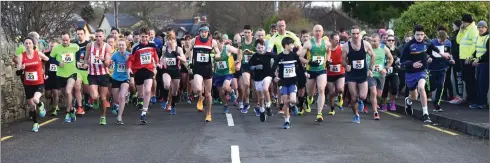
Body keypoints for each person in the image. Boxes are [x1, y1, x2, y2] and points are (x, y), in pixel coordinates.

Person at [401, 25, 450, 123]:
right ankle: (408, 101)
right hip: (411, 72)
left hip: (422, 70)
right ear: (414, 35)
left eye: (421, 34)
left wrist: (442, 54)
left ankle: (425, 114)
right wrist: (412, 64)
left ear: (424, 35)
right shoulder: (409, 45)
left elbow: (433, 48)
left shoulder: (427, 42)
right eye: (417, 35)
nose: (419, 37)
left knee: (421, 87)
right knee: (414, 97)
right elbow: (402, 61)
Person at [341, 25, 376, 123]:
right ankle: (356, 115)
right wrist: (346, 65)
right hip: (352, 74)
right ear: (350, 34)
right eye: (353, 34)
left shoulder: (365, 44)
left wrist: (370, 69)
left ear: (359, 34)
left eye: (357, 33)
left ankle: (361, 101)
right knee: (353, 96)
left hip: (362, 73)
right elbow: (342, 60)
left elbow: (373, 56)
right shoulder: (346, 46)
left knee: (363, 96)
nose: (355, 36)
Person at [186, 24, 221, 122]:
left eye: (205, 32)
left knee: (208, 93)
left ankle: (208, 114)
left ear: (208, 32)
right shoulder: (194, 40)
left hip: (208, 68)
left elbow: (218, 52)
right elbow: (188, 51)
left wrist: (216, 56)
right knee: (198, 88)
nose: (203, 33)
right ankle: (200, 98)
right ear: (199, 32)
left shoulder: (212, 42)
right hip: (197, 67)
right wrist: (188, 60)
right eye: (202, 31)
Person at [267, 19, 303, 114]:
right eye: (279, 26)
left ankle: (292, 103)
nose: (281, 28)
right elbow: (269, 50)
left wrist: (294, 55)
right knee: (280, 81)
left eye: (283, 25)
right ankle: (281, 104)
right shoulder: (274, 37)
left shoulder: (291, 35)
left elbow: (300, 47)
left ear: (285, 26)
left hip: (291, 60)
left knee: (292, 78)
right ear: (276, 27)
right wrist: (279, 57)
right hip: (281, 61)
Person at [272, 37, 309, 129]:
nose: (293, 46)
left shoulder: (294, 55)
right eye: (292, 44)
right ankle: (287, 121)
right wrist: (275, 77)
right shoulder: (279, 57)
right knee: (285, 101)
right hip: (283, 82)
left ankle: (293, 105)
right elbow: (273, 68)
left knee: (292, 100)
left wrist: (305, 73)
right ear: (286, 45)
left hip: (293, 81)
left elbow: (300, 66)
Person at [299, 25, 331, 122]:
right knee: (310, 92)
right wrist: (309, 62)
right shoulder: (308, 44)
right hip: (310, 70)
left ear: (322, 32)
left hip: (322, 70)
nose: (318, 33)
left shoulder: (326, 43)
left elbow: (329, 52)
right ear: (313, 32)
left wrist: (328, 60)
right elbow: (300, 57)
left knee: (321, 89)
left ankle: (319, 114)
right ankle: (309, 97)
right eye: (316, 31)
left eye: (319, 31)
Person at [128, 27, 160, 124]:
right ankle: (140, 99)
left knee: (147, 90)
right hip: (138, 71)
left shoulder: (152, 44)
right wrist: (129, 68)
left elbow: (154, 55)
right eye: (142, 37)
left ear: (149, 36)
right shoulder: (135, 47)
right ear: (139, 36)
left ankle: (144, 112)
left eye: (146, 37)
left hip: (149, 69)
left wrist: (157, 63)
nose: (144, 39)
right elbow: (130, 59)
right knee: (141, 93)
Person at [17, 37, 49, 132]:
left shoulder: (37, 53)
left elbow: (48, 60)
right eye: (26, 43)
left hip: (39, 82)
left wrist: (45, 72)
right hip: (28, 84)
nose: (28, 45)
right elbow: (18, 73)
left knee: (36, 99)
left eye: (29, 43)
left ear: (33, 45)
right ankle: (35, 123)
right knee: (31, 106)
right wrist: (22, 68)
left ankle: (40, 105)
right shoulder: (21, 56)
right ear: (24, 45)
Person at [84, 29, 113, 125]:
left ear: (104, 37)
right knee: (95, 95)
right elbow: (86, 58)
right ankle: (95, 99)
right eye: (96, 36)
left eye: (100, 36)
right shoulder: (89, 45)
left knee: (103, 98)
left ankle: (103, 116)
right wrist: (85, 64)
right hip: (92, 74)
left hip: (103, 74)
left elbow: (108, 64)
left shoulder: (107, 47)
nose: (98, 38)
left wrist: (103, 59)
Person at [50, 32, 80, 123]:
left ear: (69, 39)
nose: (65, 42)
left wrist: (77, 62)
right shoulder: (56, 48)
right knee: (65, 94)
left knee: (68, 91)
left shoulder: (75, 46)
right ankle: (71, 110)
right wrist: (58, 63)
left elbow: (78, 54)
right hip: (60, 74)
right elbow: (51, 59)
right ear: (61, 40)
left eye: (67, 40)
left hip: (72, 73)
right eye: (63, 40)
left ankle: (67, 112)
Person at [365, 33, 393, 120]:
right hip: (371, 74)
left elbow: (391, 59)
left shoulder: (384, 48)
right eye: (372, 41)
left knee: (378, 94)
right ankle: (375, 112)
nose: (373, 43)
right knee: (373, 91)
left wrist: (385, 68)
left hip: (381, 74)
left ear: (379, 41)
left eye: (375, 41)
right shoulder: (367, 49)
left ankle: (369, 97)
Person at [159, 31, 188, 115]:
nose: (170, 41)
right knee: (167, 85)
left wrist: (177, 56)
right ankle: (165, 100)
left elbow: (184, 59)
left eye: (171, 40)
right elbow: (162, 57)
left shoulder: (178, 49)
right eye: (168, 40)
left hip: (176, 71)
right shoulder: (164, 49)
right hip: (167, 70)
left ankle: (173, 105)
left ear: (174, 40)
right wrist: (160, 63)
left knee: (175, 92)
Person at [212, 32, 240, 114]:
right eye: (214, 45)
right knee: (221, 92)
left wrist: (238, 61)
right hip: (218, 73)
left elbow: (239, 52)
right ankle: (225, 106)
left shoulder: (227, 48)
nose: (216, 47)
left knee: (225, 87)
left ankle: (231, 92)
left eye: (217, 44)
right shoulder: (213, 50)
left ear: (222, 42)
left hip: (228, 72)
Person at [427, 30, 454, 112]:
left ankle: (436, 104)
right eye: (440, 40)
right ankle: (426, 93)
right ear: (437, 38)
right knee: (432, 86)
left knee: (440, 86)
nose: (442, 42)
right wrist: (429, 58)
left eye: (444, 40)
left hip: (443, 68)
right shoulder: (432, 43)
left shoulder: (448, 43)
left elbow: (449, 53)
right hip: (432, 68)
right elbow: (427, 53)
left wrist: (451, 59)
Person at [250, 39, 275, 121]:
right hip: (258, 78)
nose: (261, 49)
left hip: (268, 75)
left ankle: (268, 106)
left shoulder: (268, 54)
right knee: (260, 97)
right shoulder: (254, 57)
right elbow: (250, 67)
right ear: (255, 48)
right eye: (259, 48)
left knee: (265, 89)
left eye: (262, 47)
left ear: (265, 47)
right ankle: (262, 111)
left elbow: (278, 57)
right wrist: (256, 67)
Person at [457, 14, 478, 107]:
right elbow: (458, 41)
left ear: (467, 22)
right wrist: (460, 31)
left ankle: (472, 99)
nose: (462, 24)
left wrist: (471, 56)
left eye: (463, 22)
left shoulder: (473, 29)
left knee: (470, 79)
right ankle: (469, 98)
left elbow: (475, 44)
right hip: (463, 57)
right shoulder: (465, 29)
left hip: (468, 58)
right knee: (466, 79)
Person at [111, 39, 131, 124]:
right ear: (117, 46)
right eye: (120, 45)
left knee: (122, 97)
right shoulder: (115, 55)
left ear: (126, 46)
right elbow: (110, 63)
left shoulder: (129, 55)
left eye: (123, 45)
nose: (121, 46)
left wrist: (128, 61)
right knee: (116, 100)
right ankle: (116, 105)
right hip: (115, 78)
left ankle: (119, 117)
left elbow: (131, 66)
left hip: (125, 79)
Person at [326, 33, 345, 115]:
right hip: (330, 73)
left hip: (340, 72)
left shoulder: (341, 48)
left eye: (338, 40)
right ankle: (332, 108)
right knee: (331, 92)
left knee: (340, 89)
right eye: (336, 40)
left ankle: (340, 95)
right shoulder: (327, 49)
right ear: (331, 40)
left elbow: (346, 58)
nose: (338, 42)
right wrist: (327, 62)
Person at [381, 35, 401, 112]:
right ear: (386, 41)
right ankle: (384, 104)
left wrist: (398, 63)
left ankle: (392, 103)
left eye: (392, 40)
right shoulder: (383, 49)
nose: (391, 42)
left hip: (394, 71)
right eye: (389, 40)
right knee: (385, 89)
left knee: (395, 87)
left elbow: (400, 59)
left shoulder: (397, 50)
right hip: (385, 72)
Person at [74, 27, 91, 115]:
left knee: (86, 90)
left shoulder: (89, 44)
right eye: (78, 34)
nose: (79, 36)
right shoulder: (74, 44)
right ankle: (79, 106)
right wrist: (76, 63)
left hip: (87, 69)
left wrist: (87, 63)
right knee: (77, 87)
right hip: (77, 69)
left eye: (81, 34)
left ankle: (87, 101)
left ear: (84, 34)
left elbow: (92, 56)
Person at [472, 20, 489, 109]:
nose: (480, 29)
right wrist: (472, 57)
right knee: (478, 84)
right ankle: (479, 102)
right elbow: (477, 50)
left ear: (486, 28)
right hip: (479, 64)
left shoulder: (488, 37)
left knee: (483, 84)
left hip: (485, 64)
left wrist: (479, 59)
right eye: (479, 27)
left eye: (482, 27)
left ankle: (483, 103)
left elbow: (488, 53)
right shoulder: (478, 37)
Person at [238, 25, 254, 113]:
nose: (247, 34)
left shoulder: (255, 41)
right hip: (245, 65)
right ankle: (246, 101)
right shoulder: (242, 42)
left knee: (256, 88)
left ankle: (260, 105)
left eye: (248, 32)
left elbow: (260, 52)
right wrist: (239, 61)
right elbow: (239, 53)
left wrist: (251, 52)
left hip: (255, 65)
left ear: (252, 32)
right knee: (247, 83)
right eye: (245, 33)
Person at [44, 40, 61, 116]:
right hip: (48, 76)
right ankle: (52, 99)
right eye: (51, 46)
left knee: (55, 92)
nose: (52, 48)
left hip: (57, 76)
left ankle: (54, 109)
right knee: (47, 94)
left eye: (54, 47)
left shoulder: (60, 54)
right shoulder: (46, 54)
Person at [449, 20, 465, 104]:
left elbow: (456, 49)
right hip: (456, 59)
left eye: (453, 25)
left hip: (458, 60)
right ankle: (459, 95)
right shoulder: (456, 35)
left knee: (459, 79)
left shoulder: (458, 35)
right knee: (457, 79)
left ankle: (460, 96)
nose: (452, 27)